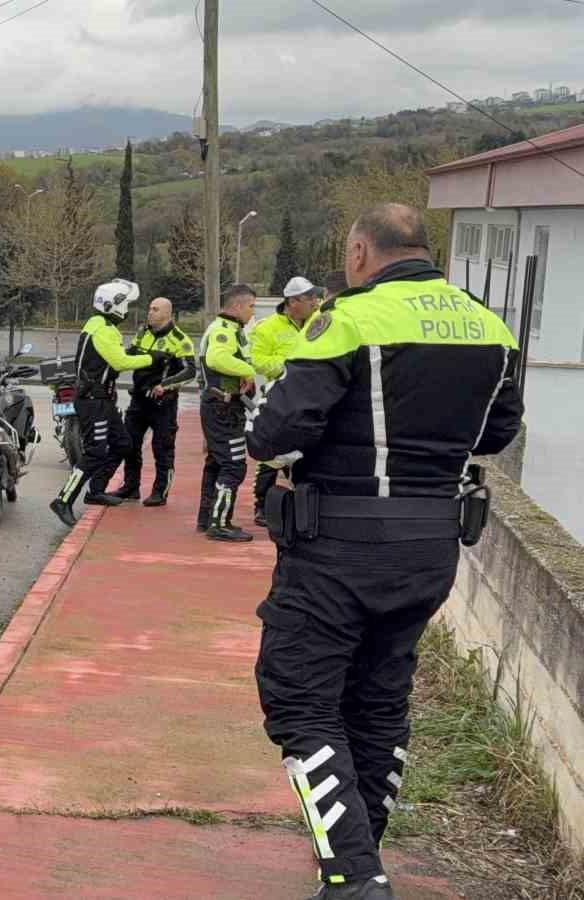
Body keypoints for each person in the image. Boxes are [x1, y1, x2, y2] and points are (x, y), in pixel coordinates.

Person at [249, 203, 522, 900]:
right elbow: (496, 434)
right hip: (432, 547)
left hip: (337, 545)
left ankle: (353, 876)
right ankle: (358, 855)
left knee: (302, 702)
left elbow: (275, 433)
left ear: (362, 252)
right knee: (378, 699)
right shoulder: (489, 326)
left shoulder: (350, 319)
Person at [49, 279, 165, 527]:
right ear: (114, 305)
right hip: (94, 401)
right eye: (125, 304)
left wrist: (135, 353)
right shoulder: (104, 329)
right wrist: (151, 359)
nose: (127, 310)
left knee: (123, 443)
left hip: (101, 399)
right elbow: (119, 362)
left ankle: (96, 490)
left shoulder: (96, 323)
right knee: (95, 451)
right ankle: (63, 500)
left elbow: (112, 356)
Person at [248, 276, 324, 526]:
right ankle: (262, 505)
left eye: (315, 297)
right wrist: (291, 368)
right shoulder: (266, 327)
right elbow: (258, 361)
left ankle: (304, 499)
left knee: (308, 449)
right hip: (279, 394)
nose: (316, 301)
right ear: (292, 302)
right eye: (309, 298)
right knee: (272, 452)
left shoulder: (320, 320)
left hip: (312, 395)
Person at [113, 297, 196, 507]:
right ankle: (131, 487)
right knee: (129, 444)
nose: (150, 312)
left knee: (163, 448)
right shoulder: (143, 333)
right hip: (138, 400)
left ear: (167, 314)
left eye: (155, 309)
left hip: (163, 403)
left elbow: (190, 371)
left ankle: (160, 492)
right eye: (149, 308)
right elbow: (129, 355)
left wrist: (165, 385)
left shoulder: (180, 339)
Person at [197, 283, 259, 542]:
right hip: (222, 408)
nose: (252, 312)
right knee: (233, 466)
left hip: (224, 407)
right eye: (251, 307)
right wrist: (247, 371)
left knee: (216, 462)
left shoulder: (234, 329)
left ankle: (207, 517)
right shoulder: (223, 330)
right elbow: (217, 359)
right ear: (237, 306)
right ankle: (220, 522)